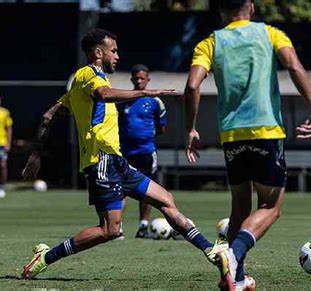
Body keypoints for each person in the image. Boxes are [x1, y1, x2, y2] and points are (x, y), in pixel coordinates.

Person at [21, 28, 226, 283]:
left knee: (166, 200)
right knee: (110, 230)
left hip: (117, 160)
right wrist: (144, 93)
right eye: (114, 51)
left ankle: (211, 249)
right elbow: (103, 95)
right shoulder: (87, 76)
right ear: (98, 52)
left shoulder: (87, 83)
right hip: (101, 162)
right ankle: (46, 257)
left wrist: (35, 155)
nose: (118, 56)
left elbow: (48, 115)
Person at [184, 1, 311, 290]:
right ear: (252, 6)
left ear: (222, 11)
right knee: (271, 206)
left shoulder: (210, 43)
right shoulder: (271, 34)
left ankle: (235, 278)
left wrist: (191, 128)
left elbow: (193, 85)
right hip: (266, 131)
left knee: (239, 208)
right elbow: (294, 66)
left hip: (231, 135)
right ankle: (232, 257)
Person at [116, 64, 167, 238]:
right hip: (125, 153)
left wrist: (144, 136)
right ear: (131, 80)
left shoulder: (155, 101)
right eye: (135, 78)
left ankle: (143, 227)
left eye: (142, 78)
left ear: (148, 80)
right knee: (120, 190)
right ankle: (117, 228)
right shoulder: (123, 102)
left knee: (146, 191)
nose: (138, 81)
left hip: (145, 151)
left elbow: (161, 128)